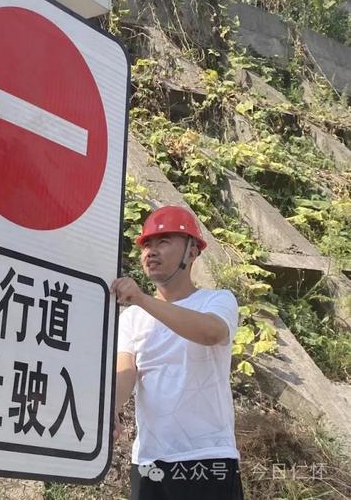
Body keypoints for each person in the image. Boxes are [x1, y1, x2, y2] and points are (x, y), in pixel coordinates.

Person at [112, 205, 244, 500]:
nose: (151, 251)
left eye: (163, 242)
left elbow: (211, 332)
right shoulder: (131, 318)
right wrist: (110, 408)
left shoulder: (217, 300)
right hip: (149, 461)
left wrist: (141, 299)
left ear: (192, 252)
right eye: (147, 244)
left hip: (208, 456)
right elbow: (126, 373)